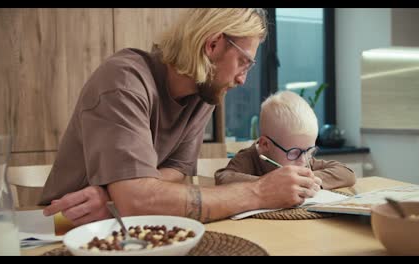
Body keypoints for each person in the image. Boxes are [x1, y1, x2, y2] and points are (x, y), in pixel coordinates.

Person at [39, 8, 322, 226]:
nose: (242, 80)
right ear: (212, 45)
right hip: (65, 226)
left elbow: (177, 173)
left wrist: (115, 194)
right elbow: (137, 201)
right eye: (243, 62)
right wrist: (259, 192)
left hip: (128, 222)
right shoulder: (123, 82)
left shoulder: (203, 96)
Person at [215, 91, 356, 190]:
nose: (303, 161)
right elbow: (223, 178)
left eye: (309, 151)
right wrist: (270, 183)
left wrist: (308, 180)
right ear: (265, 145)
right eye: (293, 153)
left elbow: (347, 173)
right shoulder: (249, 158)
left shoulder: (303, 160)